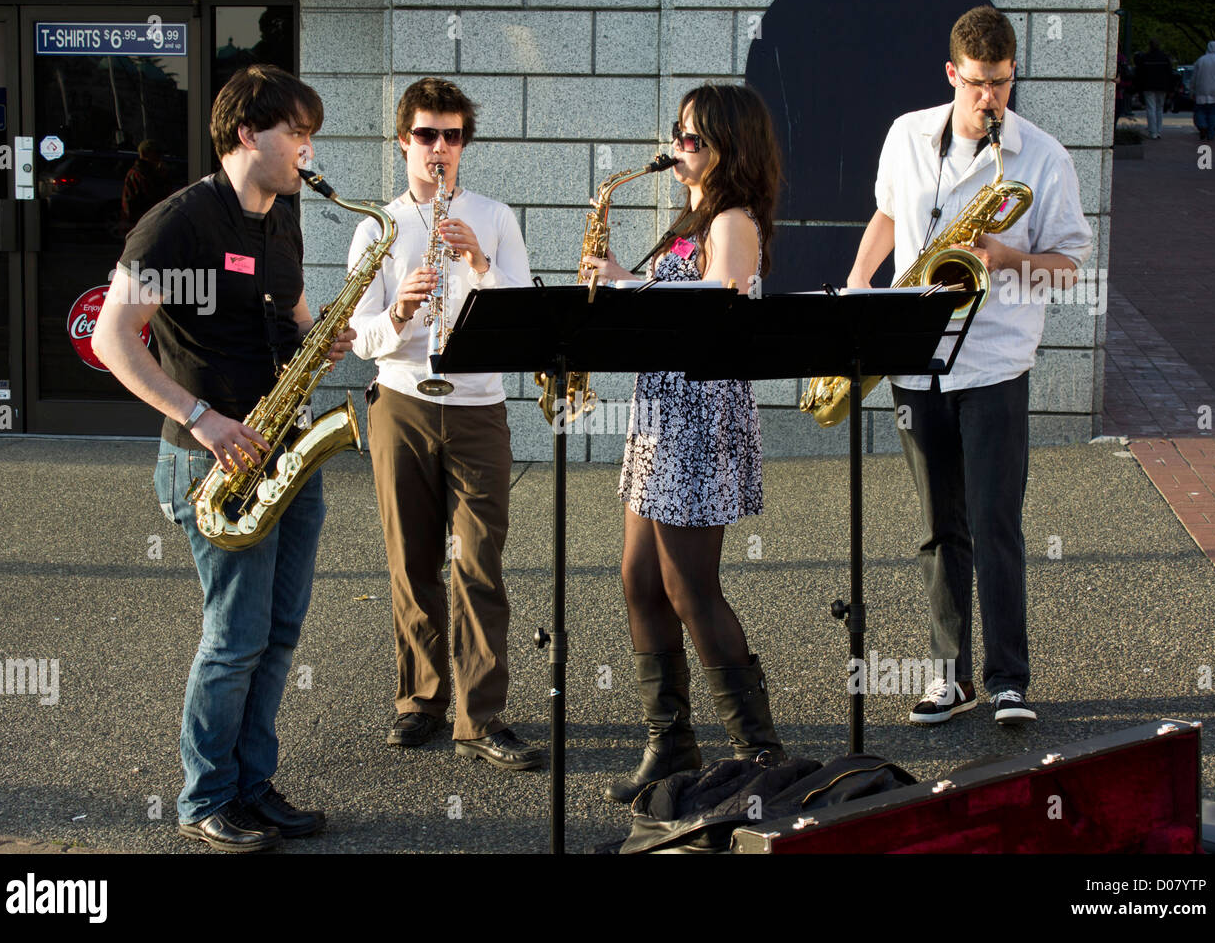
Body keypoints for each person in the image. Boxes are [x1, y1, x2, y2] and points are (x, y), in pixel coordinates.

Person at [93, 65, 353, 851]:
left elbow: (294, 318)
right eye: (296, 135)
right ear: (248, 132)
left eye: (311, 138)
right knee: (233, 638)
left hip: (283, 453)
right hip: (214, 461)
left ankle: (251, 785)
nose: (308, 153)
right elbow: (112, 339)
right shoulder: (181, 223)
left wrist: (325, 341)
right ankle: (205, 797)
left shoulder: (283, 213)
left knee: (277, 633)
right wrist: (201, 418)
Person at [846, 6, 1091, 727]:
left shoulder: (1042, 157)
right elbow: (889, 215)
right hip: (913, 358)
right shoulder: (905, 135)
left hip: (993, 361)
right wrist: (861, 282)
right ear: (953, 73)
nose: (992, 100)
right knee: (935, 526)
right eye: (980, 83)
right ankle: (948, 679)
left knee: (995, 523)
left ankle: (1009, 679)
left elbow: (1069, 268)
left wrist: (1008, 258)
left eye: (1004, 84)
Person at [583, 83, 786, 804]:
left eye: (692, 138)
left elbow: (718, 305)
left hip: (698, 419)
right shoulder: (692, 215)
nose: (676, 147)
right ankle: (670, 745)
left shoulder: (732, 219)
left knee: (690, 588)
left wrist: (625, 287)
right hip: (660, 417)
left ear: (731, 147)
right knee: (640, 579)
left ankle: (761, 754)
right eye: (677, 131)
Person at [346, 77, 542, 771]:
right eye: (426, 135)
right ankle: (420, 701)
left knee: (479, 562)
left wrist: (478, 263)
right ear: (404, 141)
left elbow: (521, 316)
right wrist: (398, 311)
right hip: (401, 398)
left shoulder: (492, 216)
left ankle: (481, 714)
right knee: (411, 561)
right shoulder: (379, 226)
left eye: (451, 136)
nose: (439, 148)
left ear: (464, 145)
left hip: (477, 405)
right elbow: (356, 333)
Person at [1192, 41, 1215, 141]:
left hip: (1202, 90)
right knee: (1214, 114)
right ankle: (1211, 133)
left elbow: (1194, 77)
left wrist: (1192, 90)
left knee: (1200, 111)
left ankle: (1202, 126)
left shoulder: (1201, 60)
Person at [1136, 40, 1174, 139]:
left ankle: (1152, 131)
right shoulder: (1165, 58)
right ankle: (1158, 130)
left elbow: (1140, 74)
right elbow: (1170, 74)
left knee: (1150, 108)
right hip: (1162, 86)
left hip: (1148, 86)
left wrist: (1139, 87)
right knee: (1159, 108)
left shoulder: (1145, 58)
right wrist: (1170, 88)